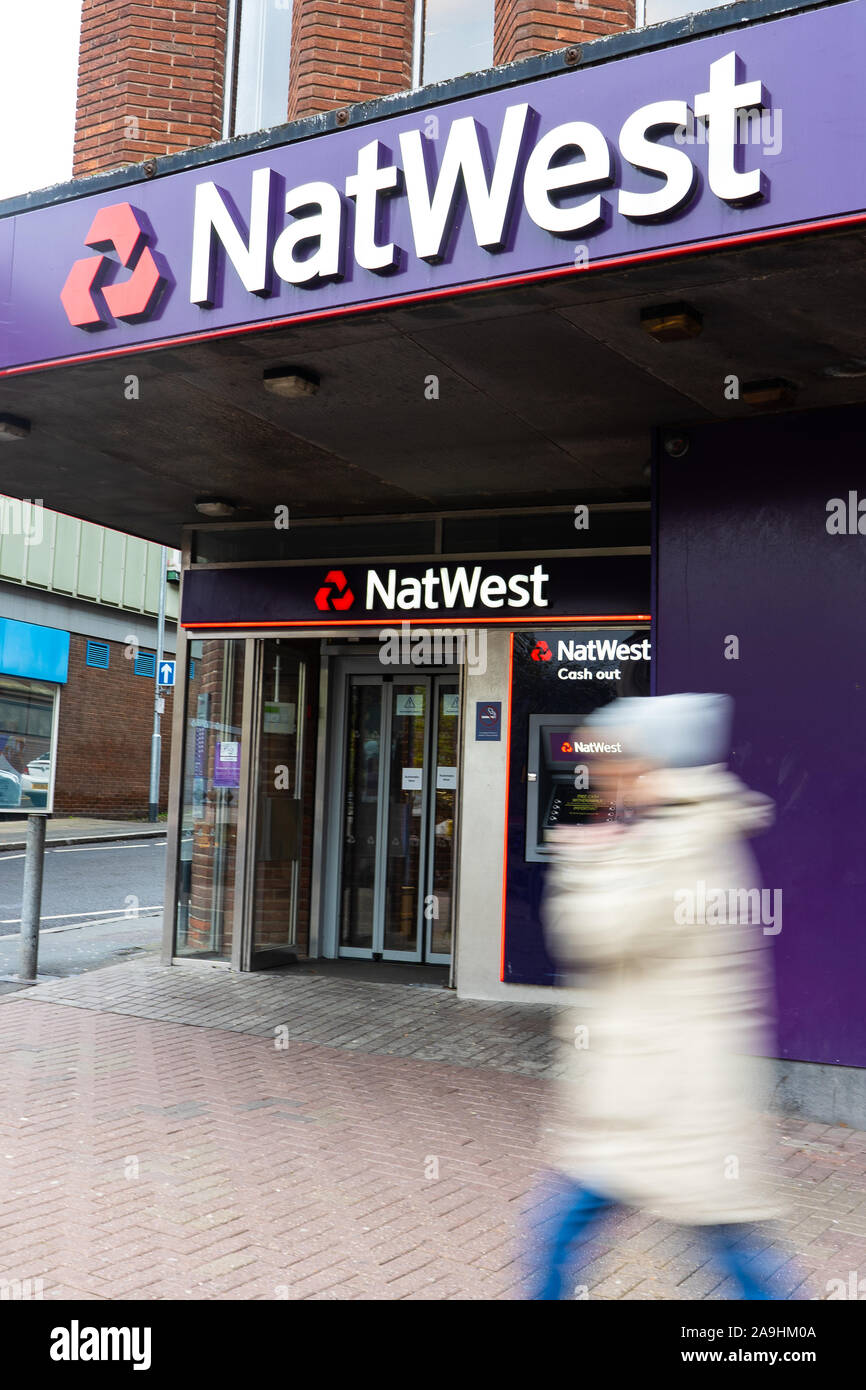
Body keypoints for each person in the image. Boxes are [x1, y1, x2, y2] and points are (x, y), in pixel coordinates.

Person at [533, 693, 785, 1301]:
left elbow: (596, 933)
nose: (609, 773)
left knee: (566, 1235)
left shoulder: (684, 838)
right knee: (725, 1241)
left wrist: (579, 858)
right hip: (655, 1086)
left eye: (620, 758)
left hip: (666, 1091)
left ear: (651, 762)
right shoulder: (674, 826)